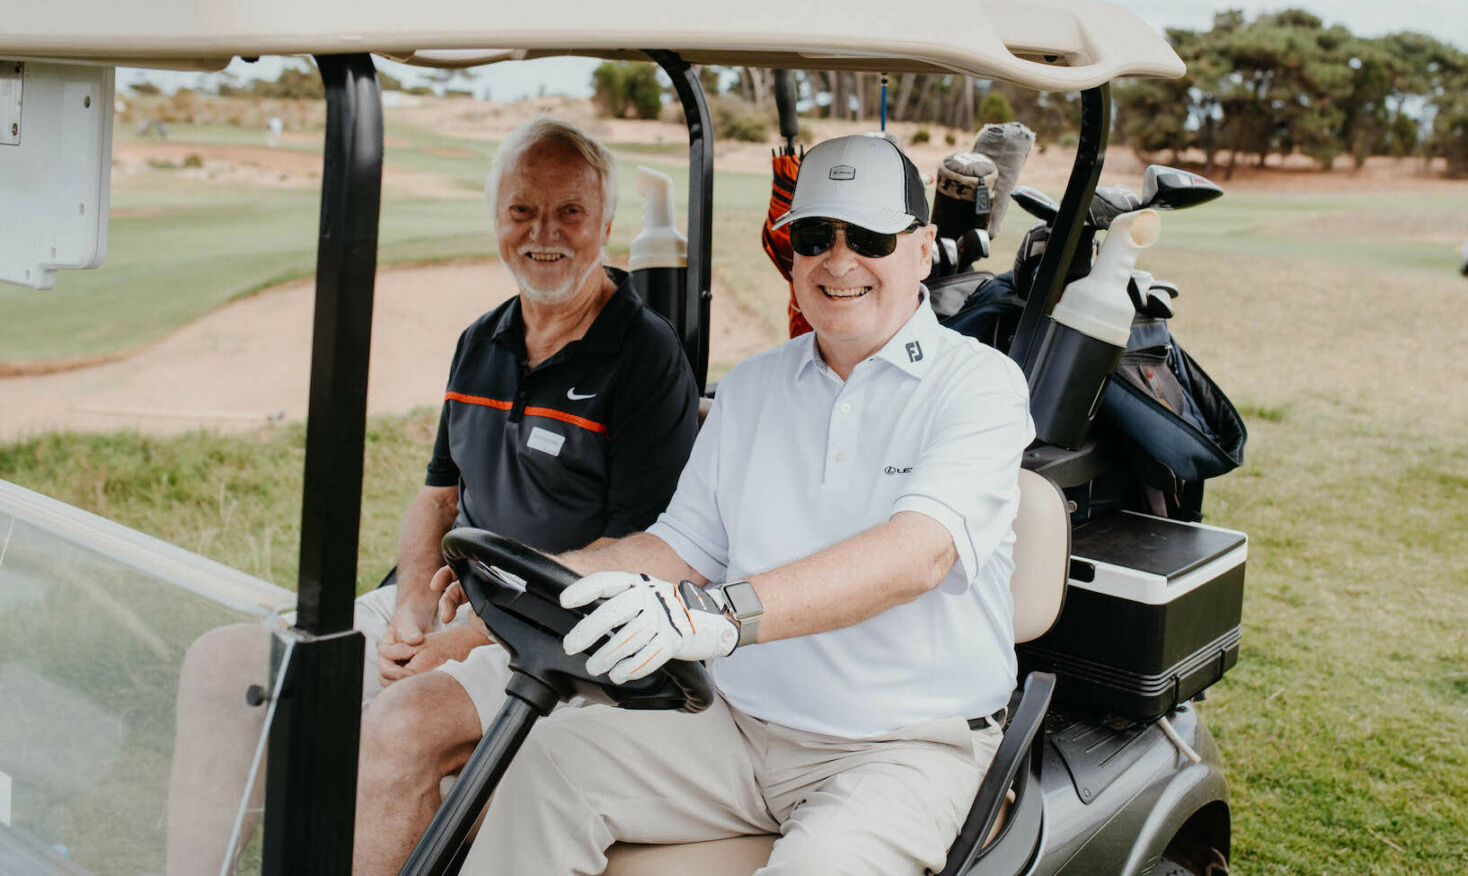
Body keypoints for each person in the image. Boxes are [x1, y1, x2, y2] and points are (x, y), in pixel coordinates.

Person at [446, 133, 1035, 876]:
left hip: (902, 743)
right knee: (546, 762)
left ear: (921, 250)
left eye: (870, 238)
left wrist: (718, 615)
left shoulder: (979, 384)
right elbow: (679, 547)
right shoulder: (754, 386)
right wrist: (540, 576)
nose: (839, 262)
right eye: (815, 237)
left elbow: (917, 554)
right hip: (736, 724)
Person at [164, 117, 699, 876]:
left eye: (570, 212)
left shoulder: (645, 356)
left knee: (399, 724)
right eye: (522, 210)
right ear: (496, 220)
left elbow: (633, 557)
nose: (544, 233)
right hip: (454, 599)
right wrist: (414, 604)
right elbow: (438, 497)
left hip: (559, 635)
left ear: (605, 225)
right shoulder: (481, 340)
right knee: (226, 665)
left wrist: (467, 637)